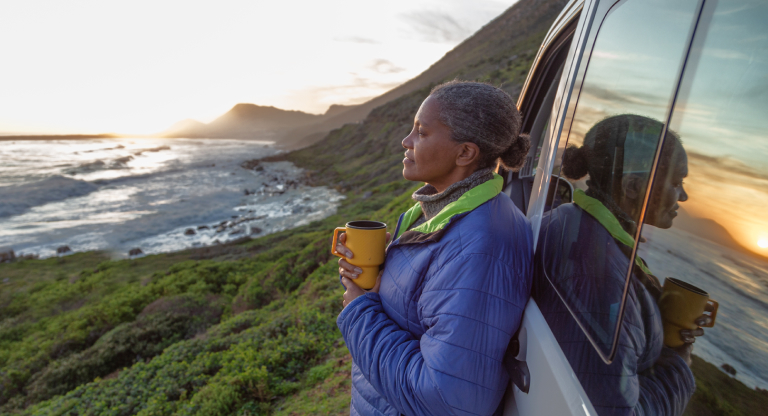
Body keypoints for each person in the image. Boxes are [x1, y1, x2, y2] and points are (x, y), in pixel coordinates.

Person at [334, 81, 534, 416]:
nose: (406, 141)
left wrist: (360, 311)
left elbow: (445, 400)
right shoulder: (437, 213)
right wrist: (392, 262)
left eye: (421, 132)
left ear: (465, 153)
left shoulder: (480, 248)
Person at [533, 114, 712, 416]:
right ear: (632, 187)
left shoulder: (573, 223)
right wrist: (679, 365)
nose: (683, 195)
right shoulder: (598, 273)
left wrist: (652, 317)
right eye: (677, 182)